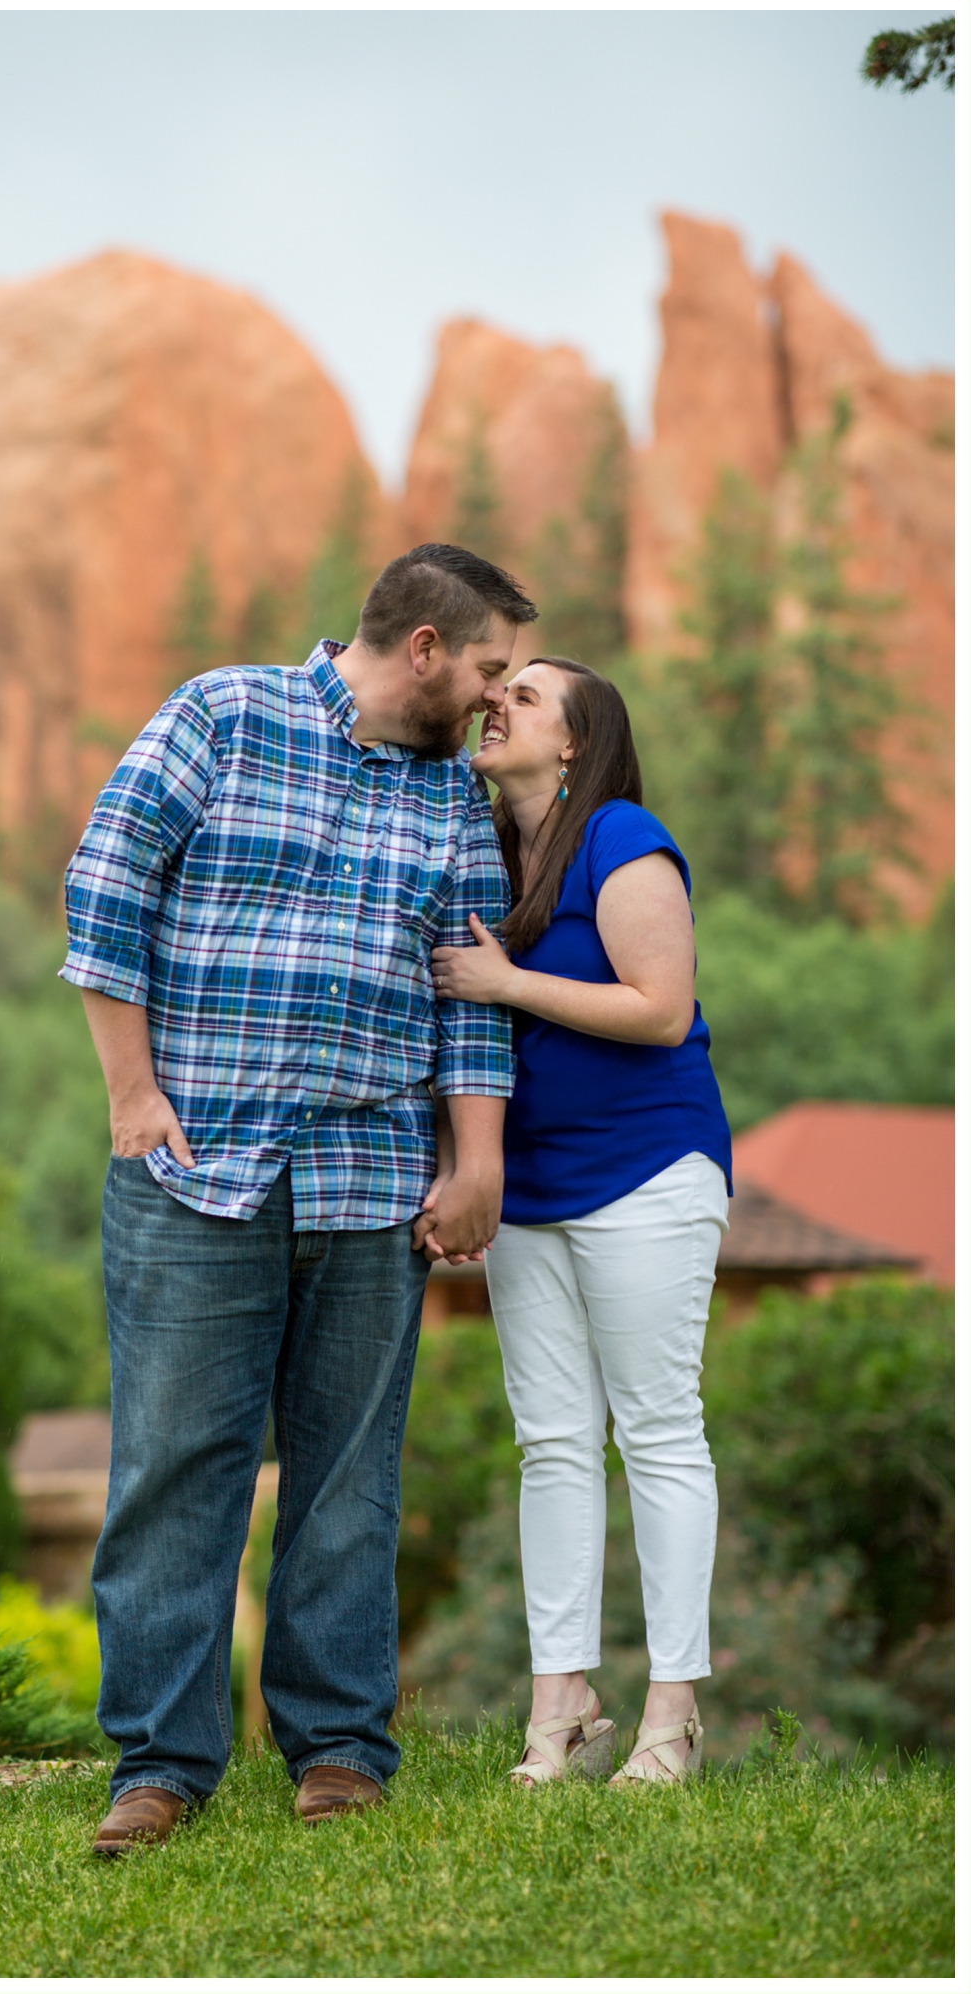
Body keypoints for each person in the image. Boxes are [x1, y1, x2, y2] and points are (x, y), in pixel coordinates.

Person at [62, 544, 535, 1853]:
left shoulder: (448, 795)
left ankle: (336, 1748)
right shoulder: (223, 714)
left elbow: (467, 987)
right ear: (428, 649)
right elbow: (104, 889)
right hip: (192, 1167)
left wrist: (474, 1161)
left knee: (348, 1479)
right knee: (176, 1470)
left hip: (372, 1178)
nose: (501, 702)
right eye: (492, 669)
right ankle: (158, 1765)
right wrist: (131, 1095)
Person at [428, 655, 733, 1787]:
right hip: (527, 1186)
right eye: (494, 689)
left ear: (574, 741)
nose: (495, 703)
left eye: (527, 696)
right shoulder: (482, 847)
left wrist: (507, 985)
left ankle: (673, 1710)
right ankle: (561, 1701)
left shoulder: (621, 835)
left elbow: (661, 1011)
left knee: (656, 1428)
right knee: (551, 1442)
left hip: (646, 1170)